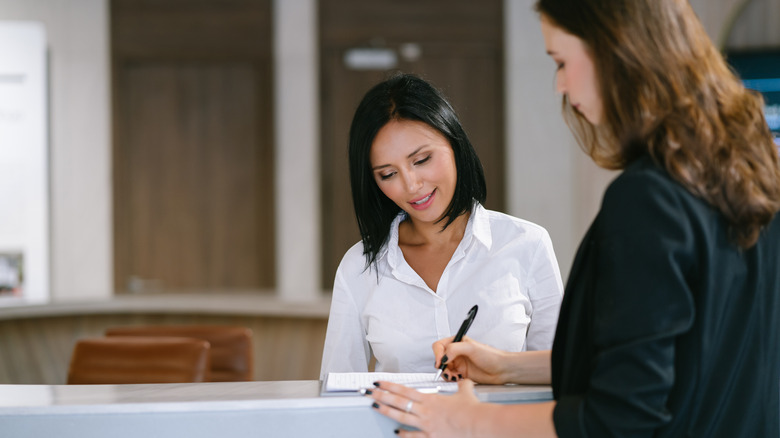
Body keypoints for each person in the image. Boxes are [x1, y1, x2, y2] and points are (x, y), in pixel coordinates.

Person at [366, 0, 780, 436]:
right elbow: (669, 361)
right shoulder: (749, 169)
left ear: (616, 50)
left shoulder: (650, 199)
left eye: (562, 62)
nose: (560, 85)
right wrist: (508, 366)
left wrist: (470, 420)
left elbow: (620, 417)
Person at [319, 73, 564, 380]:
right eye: (387, 174)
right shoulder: (359, 267)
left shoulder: (527, 244)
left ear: (454, 143)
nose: (412, 185)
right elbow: (337, 391)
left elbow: (562, 375)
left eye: (421, 159)